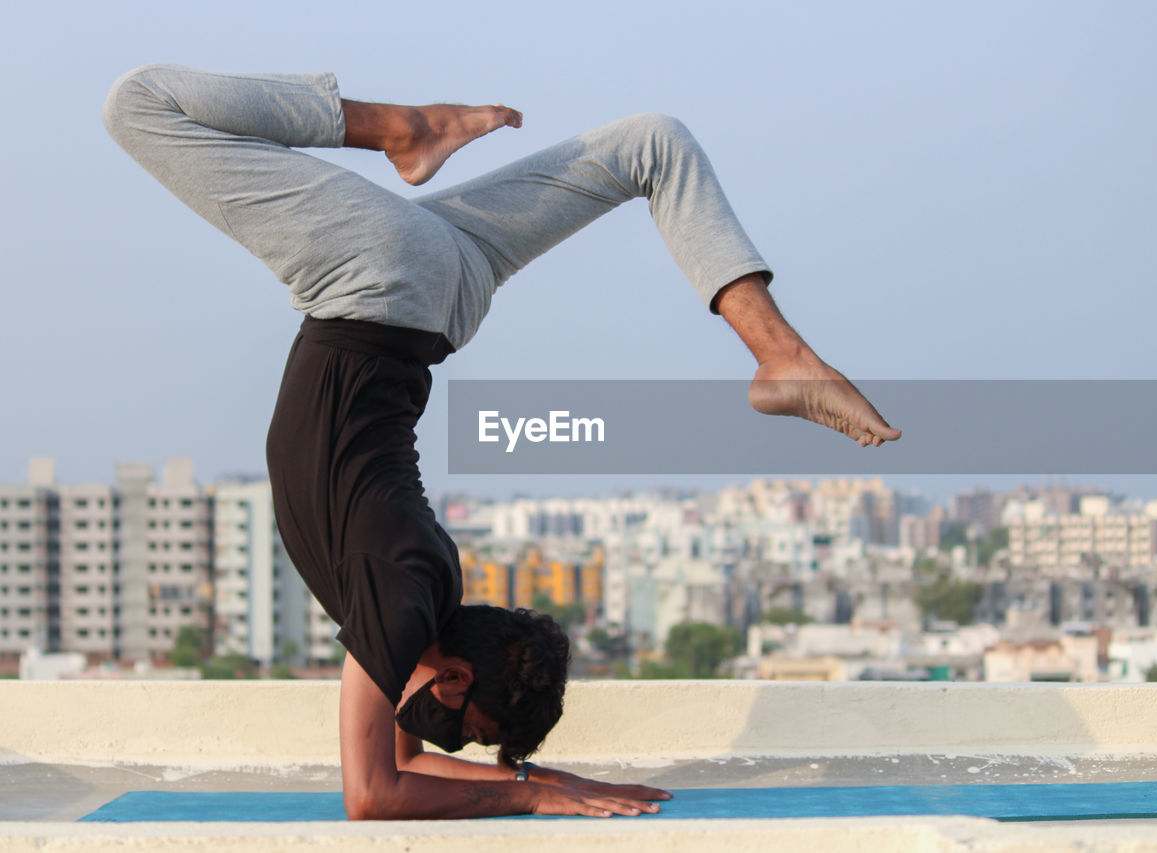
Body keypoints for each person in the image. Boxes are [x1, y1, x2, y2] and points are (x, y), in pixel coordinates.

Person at [102, 64, 900, 821]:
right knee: (138, 103)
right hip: (376, 279)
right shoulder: (399, 598)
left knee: (653, 142)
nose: (463, 745)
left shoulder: (423, 592)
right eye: (476, 729)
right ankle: (400, 128)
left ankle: (777, 352)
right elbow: (374, 795)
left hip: (447, 286)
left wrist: (531, 776)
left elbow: (402, 771)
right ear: (453, 674)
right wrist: (527, 797)